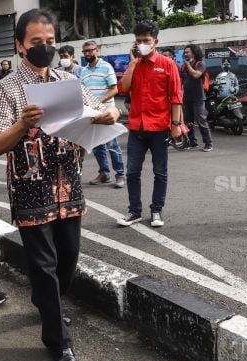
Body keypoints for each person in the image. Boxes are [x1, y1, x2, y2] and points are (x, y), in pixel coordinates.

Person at [0, 9, 119, 361]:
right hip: (31, 188)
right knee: (43, 265)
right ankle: (58, 340)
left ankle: (48, 302)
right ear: (20, 45)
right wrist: (22, 123)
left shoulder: (69, 80)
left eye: (50, 42)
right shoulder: (7, 88)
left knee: (68, 259)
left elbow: (105, 111)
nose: (44, 48)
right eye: (36, 42)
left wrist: (109, 115)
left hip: (68, 185)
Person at [116, 20, 183, 228]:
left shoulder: (167, 64)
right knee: (132, 172)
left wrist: (176, 124)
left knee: (160, 172)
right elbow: (123, 89)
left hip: (160, 127)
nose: (142, 44)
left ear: (156, 41)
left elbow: (176, 97)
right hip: (137, 128)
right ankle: (134, 211)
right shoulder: (133, 64)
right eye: (138, 41)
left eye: (146, 40)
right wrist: (133, 63)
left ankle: (156, 210)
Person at [80, 40, 125, 188]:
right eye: (85, 51)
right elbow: (83, 92)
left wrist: (99, 101)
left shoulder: (106, 67)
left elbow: (115, 89)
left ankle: (120, 175)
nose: (88, 53)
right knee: (98, 146)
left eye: (90, 50)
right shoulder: (84, 71)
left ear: (97, 50)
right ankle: (104, 174)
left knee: (113, 145)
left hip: (107, 113)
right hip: (92, 114)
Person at [181, 44, 213, 152]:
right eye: (184, 52)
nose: (185, 54)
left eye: (187, 52)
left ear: (193, 53)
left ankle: (208, 143)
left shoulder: (200, 64)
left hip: (198, 98)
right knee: (188, 121)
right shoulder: (183, 66)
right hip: (186, 98)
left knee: (201, 120)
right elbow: (181, 81)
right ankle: (192, 142)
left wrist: (188, 66)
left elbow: (196, 75)